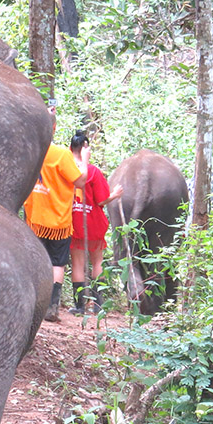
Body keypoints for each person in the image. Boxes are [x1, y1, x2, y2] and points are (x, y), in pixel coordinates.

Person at [23, 112, 86, 322]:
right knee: (57, 263)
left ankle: (30, 305)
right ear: (54, 128)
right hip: (58, 221)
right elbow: (80, 181)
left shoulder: (30, 150)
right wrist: (83, 161)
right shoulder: (61, 154)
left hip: (34, 218)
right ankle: (51, 307)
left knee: (33, 261)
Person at [67, 130, 122, 315]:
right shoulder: (93, 171)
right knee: (97, 261)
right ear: (85, 148)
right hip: (93, 223)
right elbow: (101, 200)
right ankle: (98, 305)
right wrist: (114, 195)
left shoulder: (65, 167)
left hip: (72, 222)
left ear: (70, 148)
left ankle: (80, 306)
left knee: (77, 264)